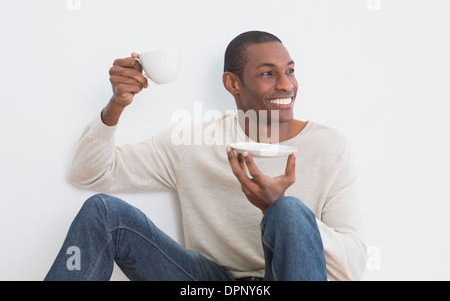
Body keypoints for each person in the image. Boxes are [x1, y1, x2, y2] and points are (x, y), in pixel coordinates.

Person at [44, 31, 367, 281]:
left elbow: (353, 264)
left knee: (290, 210)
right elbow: (89, 173)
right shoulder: (194, 141)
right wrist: (116, 105)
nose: (286, 85)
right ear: (232, 83)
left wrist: (279, 210)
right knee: (103, 211)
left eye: (290, 71)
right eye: (268, 73)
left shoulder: (329, 145)